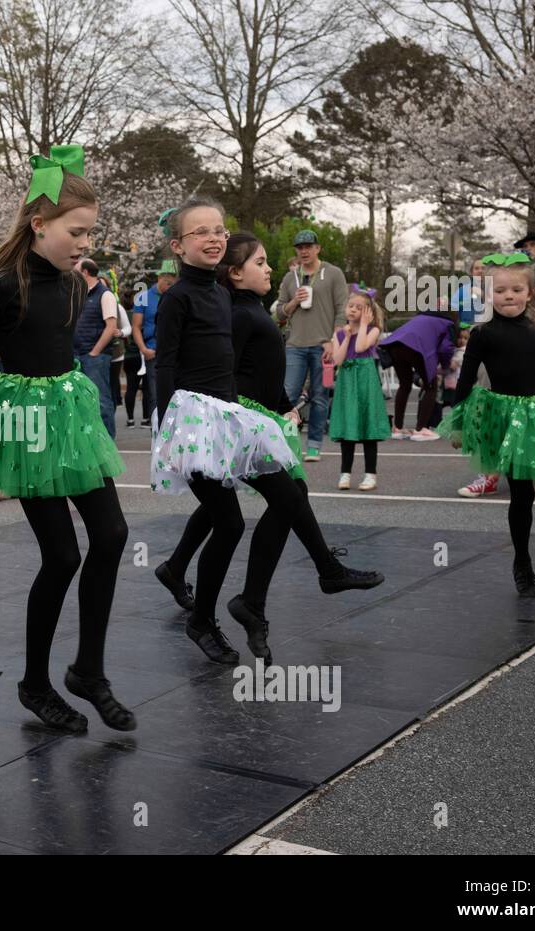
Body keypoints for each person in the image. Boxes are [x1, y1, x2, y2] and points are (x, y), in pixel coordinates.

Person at [152, 206, 382, 666]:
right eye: (202, 232)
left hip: (231, 417)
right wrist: (169, 429)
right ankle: (206, 617)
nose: (215, 237)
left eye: (220, 230)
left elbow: (228, 366)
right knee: (232, 522)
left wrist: (277, 406)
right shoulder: (178, 297)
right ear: (178, 246)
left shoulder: (220, 297)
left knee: (289, 495)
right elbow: (166, 363)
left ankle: (263, 595)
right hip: (198, 423)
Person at [0, 146, 134, 734]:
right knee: (61, 555)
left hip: (71, 414)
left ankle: (89, 669)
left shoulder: (75, 286)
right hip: (26, 428)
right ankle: (35, 682)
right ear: (40, 225)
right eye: (77, 231)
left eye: (90, 232)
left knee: (112, 532)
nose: (85, 243)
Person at [437, 251, 535, 600]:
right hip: (508, 417)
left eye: (516, 290)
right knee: (521, 494)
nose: (509, 296)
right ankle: (522, 565)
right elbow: (464, 379)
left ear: (530, 291)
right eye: (501, 290)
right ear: (488, 294)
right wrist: (459, 424)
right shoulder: (483, 333)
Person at [277, 229, 349, 461]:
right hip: (295, 345)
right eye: (300, 247)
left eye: (308, 246)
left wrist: (334, 342)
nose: (304, 251)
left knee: (319, 396)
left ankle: (315, 446)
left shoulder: (333, 273)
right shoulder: (291, 277)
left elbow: (342, 310)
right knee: (288, 395)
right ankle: (286, 444)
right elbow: (278, 312)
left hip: (323, 345)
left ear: (318, 248)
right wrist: (293, 302)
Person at [328, 286, 391, 491]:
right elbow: (337, 359)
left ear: (368, 312)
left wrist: (363, 325)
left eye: (359, 307)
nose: (353, 310)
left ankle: (370, 475)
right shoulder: (338, 334)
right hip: (347, 380)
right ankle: (344, 474)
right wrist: (345, 336)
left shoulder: (373, 330)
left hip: (365, 380)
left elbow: (361, 347)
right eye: (350, 306)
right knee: (349, 427)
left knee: (367, 427)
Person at [380, 304, 455, 441]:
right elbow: (445, 348)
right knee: (431, 386)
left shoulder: (420, 317)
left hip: (395, 345)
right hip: (416, 347)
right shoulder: (447, 323)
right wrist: (445, 366)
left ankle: (397, 428)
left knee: (405, 385)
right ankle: (420, 430)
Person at [73, 258, 120, 437]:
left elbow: (111, 326)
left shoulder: (105, 294)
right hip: (77, 354)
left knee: (101, 400)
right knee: (81, 401)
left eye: (76, 269)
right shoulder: (78, 294)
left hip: (94, 357)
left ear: (85, 272)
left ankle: (108, 441)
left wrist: (95, 352)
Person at [128, 257, 173, 428]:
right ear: (160, 278)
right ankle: (157, 430)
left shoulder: (176, 294)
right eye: (167, 281)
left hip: (173, 351)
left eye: (173, 281)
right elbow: (136, 326)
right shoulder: (143, 297)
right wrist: (143, 349)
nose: (170, 285)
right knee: (155, 393)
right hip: (152, 350)